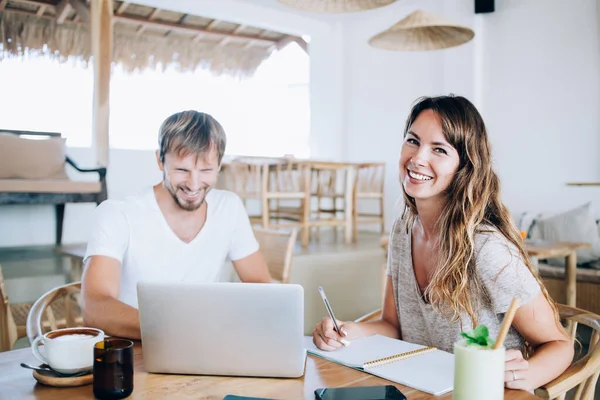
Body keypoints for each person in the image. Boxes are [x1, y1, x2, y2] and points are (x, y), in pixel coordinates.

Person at [312, 95, 573, 391]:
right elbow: (393, 326)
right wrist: (345, 330)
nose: (417, 158)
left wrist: (527, 375)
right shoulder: (403, 231)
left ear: (465, 166)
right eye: (413, 140)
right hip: (416, 389)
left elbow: (559, 343)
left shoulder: (486, 250)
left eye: (439, 149)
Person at [81, 110, 271, 340]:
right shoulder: (117, 214)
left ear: (219, 165)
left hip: (203, 345)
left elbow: (261, 285)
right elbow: (94, 308)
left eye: (206, 171)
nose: (194, 184)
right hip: (136, 350)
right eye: (182, 170)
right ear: (160, 160)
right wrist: (178, 329)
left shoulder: (229, 208)